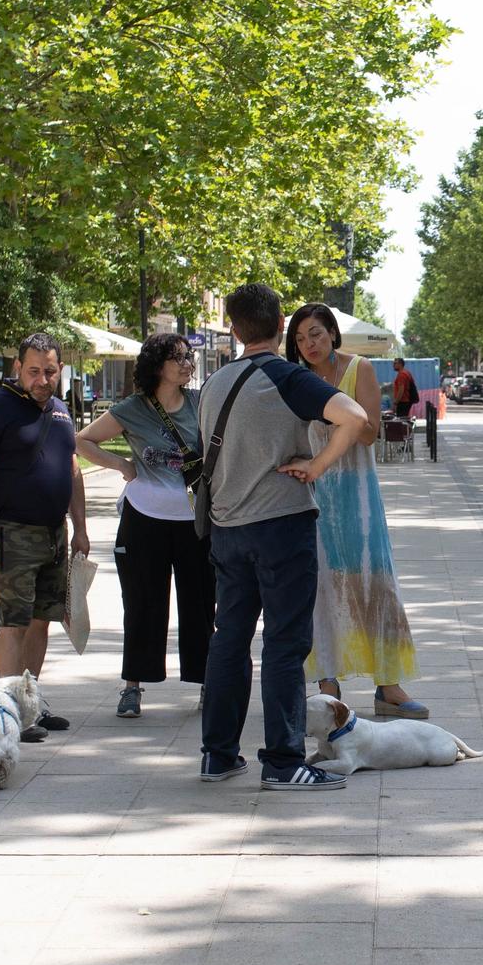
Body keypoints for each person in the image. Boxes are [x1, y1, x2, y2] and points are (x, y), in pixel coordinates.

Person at [198, 285, 367, 789]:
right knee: (284, 644)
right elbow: (354, 418)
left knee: (228, 641)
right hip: (281, 525)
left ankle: (219, 755)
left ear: (233, 328)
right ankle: (283, 760)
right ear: (280, 328)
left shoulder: (214, 382)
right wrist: (315, 466)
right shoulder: (287, 376)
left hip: (227, 528)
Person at [287, 304, 430, 720]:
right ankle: (326, 684)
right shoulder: (295, 379)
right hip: (313, 495)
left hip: (357, 494)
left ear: (332, 333)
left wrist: (334, 408)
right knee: (322, 587)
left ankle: (388, 685)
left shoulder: (359, 369)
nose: (308, 344)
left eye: (314, 334)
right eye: (299, 339)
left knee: (375, 582)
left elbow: (368, 435)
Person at [75, 333, 214, 720]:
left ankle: (207, 683)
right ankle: (133, 685)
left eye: (189, 357)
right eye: (179, 358)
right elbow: (82, 441)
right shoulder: (132, 408)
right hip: (144, 519)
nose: (188, 364)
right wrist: (122, 465)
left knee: (201, 604)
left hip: (195, 521)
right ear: (158, 365)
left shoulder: (201, 402)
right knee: (141, 604)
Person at [0, 332, 87, 743]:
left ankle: (30, 703)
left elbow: (72, 470)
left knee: (42, 622)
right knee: (13, 622)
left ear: (60, 370)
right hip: (10, 532)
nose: (42, 379)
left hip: (54, 533)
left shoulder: (61, 411)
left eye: (50, 371)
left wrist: (81, 529)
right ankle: (8, 711)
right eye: (33, 371)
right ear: (18, 368)